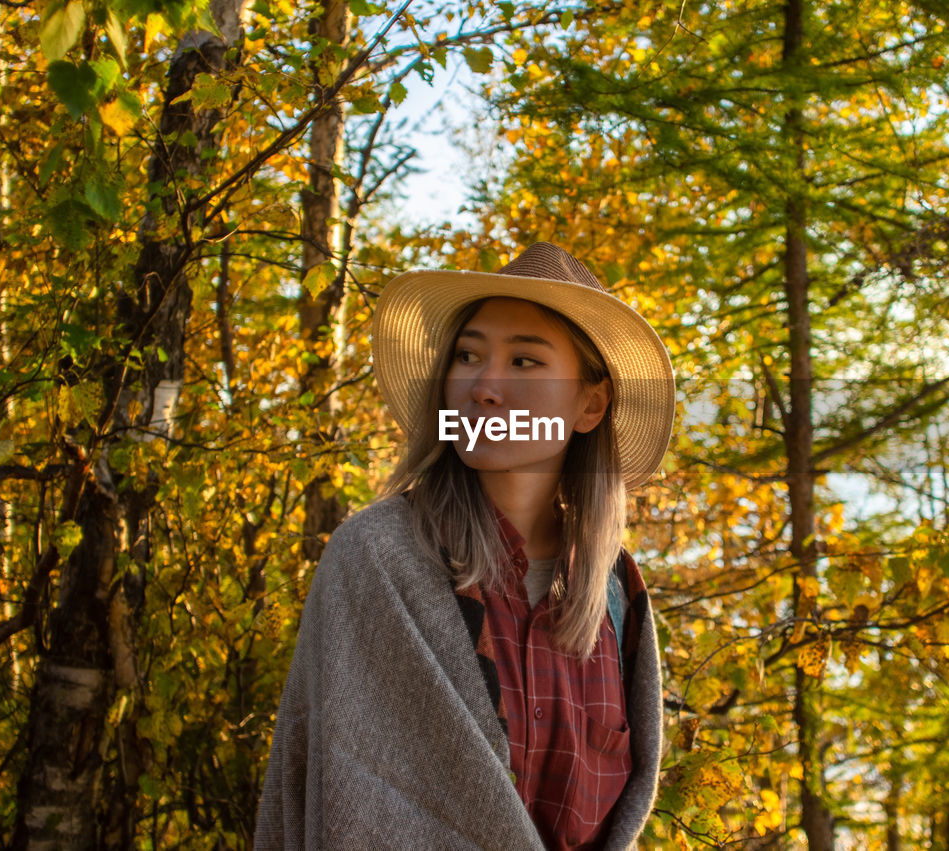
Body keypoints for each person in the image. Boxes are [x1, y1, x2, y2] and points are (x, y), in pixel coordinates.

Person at [255, 242, 676, 849]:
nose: (484, 386)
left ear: (591, 403)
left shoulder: (614, 592)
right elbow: (346, 803)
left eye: (526, 362)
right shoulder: (377, 559)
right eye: (468, 355)